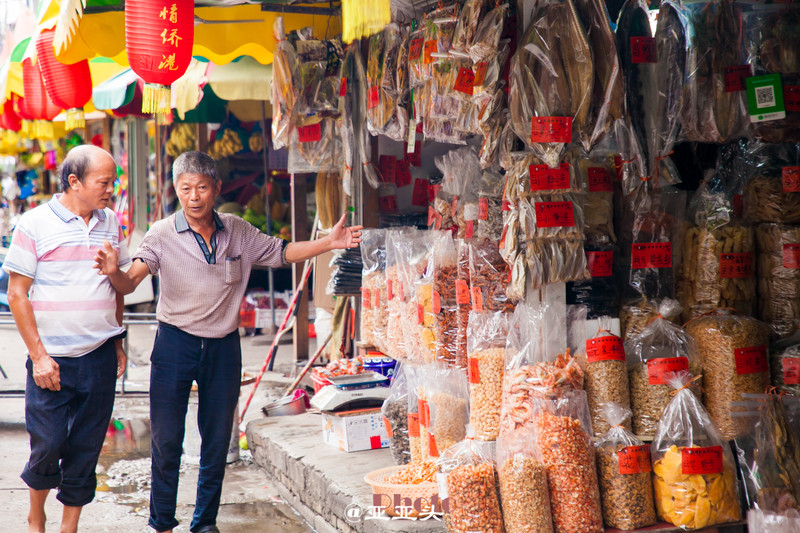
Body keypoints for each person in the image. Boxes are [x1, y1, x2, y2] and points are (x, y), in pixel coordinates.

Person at [94, 150, 362, 533]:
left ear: (216, 188)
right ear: (177, 190)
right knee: (167, 441)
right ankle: (162, 523)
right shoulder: (161, 234)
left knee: (217, 441)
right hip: (174, 344)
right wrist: (112, 274)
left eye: (202, 187)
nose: (194, 196)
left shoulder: (236, 229)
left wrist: (327, 244)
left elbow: (282, 252)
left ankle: (204, 524)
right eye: (186, 189)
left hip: (222, 347)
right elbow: (131, 281)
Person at [2, 145, 129, 533]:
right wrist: (38, 356)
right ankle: (36, 513)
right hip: (51, 359)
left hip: (100, 355)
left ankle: (68, 526)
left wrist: (118, 340)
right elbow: (17, 293)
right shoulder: (34, 224)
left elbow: (118, 285)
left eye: (113, 181)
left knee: (87, 447)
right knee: (49, 444)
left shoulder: (111, 223)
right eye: (104, 182)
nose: (111, 189)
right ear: (74, 181)